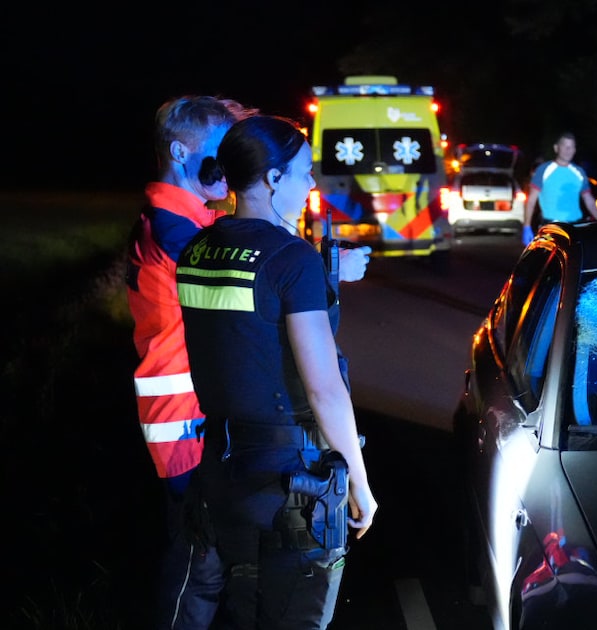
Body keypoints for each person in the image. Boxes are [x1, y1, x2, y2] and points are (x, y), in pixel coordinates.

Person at [126, 96, 373, 630]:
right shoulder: (285, 257)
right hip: (278, 471)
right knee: (286, 613)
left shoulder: (196, 247)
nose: (312, 185)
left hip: (219, 461)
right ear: (273, 177)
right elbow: (325, 389)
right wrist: (360, 482)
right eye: (305, 174)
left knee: (223, 597)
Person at [126, 95, 255, 630]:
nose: (228, 166)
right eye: (220, 152)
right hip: (180, 418)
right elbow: (230, 269)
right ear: (181, 152)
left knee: (214, 559)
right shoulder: (169, 224)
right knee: (196, 564)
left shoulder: (194, 217)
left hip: (199, 413)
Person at [523, 132, 597, 243]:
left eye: (571, 147)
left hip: (575, 227)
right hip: (550, 228)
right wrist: (526, 226)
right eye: (565, 146)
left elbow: (589, 201)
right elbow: (531, 200)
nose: (568, 150)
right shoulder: (544, 170)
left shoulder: (579, 172)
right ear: (556, 148)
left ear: (574, 150)